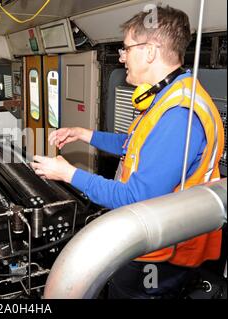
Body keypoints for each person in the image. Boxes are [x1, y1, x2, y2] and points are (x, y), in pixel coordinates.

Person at [31, 5, 225, 299]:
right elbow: (135, 145)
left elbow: (137, 198)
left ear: (149, 52)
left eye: (125, 49)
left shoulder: (179, 115)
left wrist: (68, 173)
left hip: (162, 251)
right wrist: (85, 135)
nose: (121, 58)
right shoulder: (169, 95)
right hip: (153, 240)